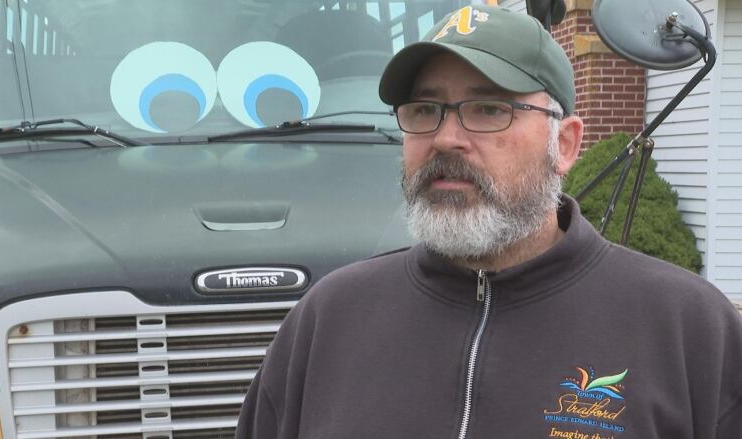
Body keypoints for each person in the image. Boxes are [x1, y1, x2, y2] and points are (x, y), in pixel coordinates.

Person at [235, 4, 742, 438]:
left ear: (564, 145)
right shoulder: (329, 318)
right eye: (424, 109)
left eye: (487, 108)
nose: (445, 138)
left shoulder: (687, 328)